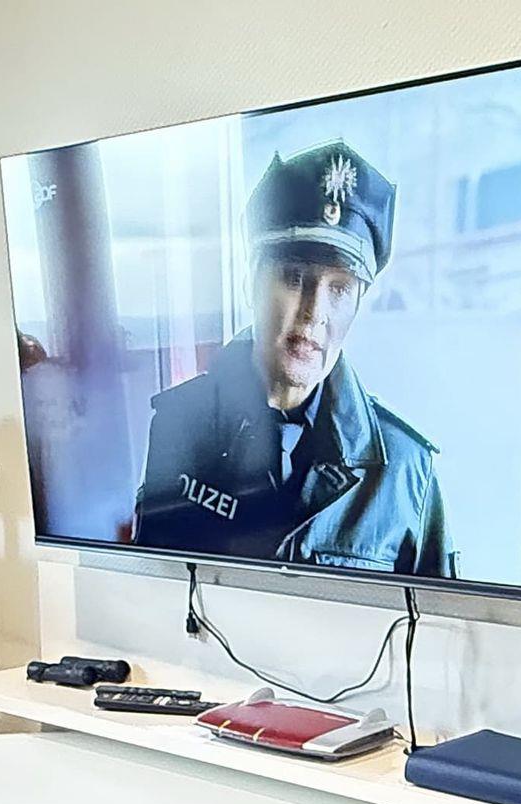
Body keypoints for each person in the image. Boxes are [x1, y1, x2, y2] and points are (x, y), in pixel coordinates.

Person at [133, 141, 454, 577]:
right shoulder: (179, 425)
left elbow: (438, 615)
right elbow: (150, 592)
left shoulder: (404, 469)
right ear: (251, 283)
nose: (314, 312)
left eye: (339, 289)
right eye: (294, 277)